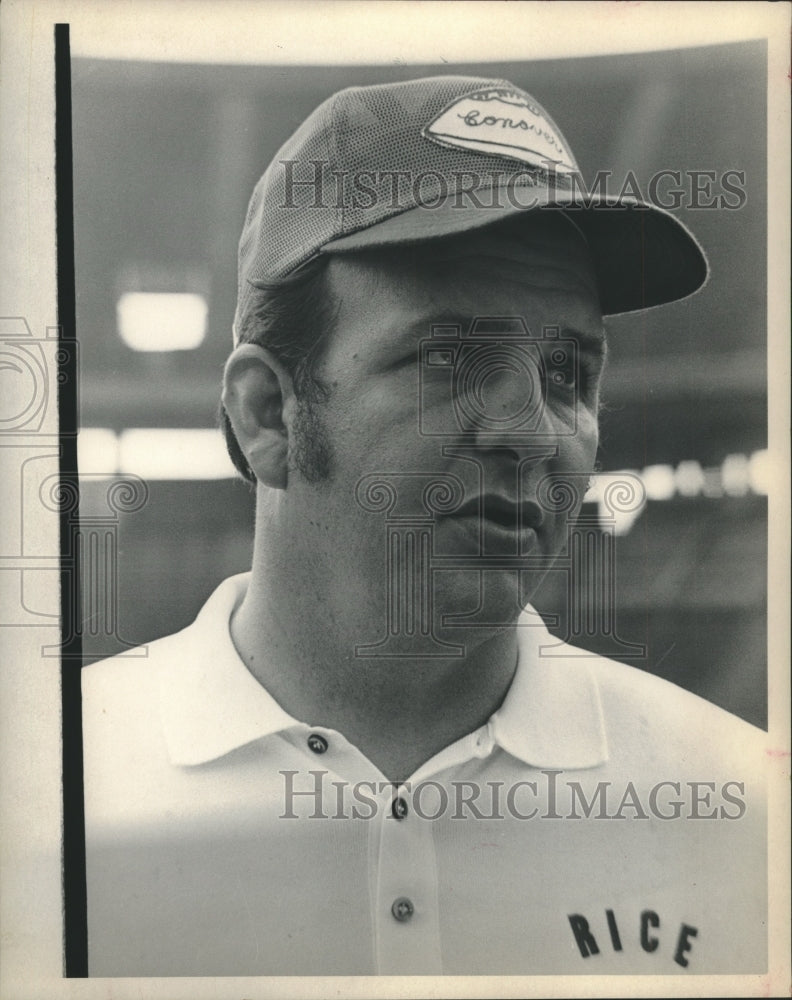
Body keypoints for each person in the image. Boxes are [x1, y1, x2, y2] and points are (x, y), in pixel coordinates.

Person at [82, 75, 766, 977]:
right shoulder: (46, 793)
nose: (531, 431)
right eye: (448, 359)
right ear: (268, 417)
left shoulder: (747, 806)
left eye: (567, 376)